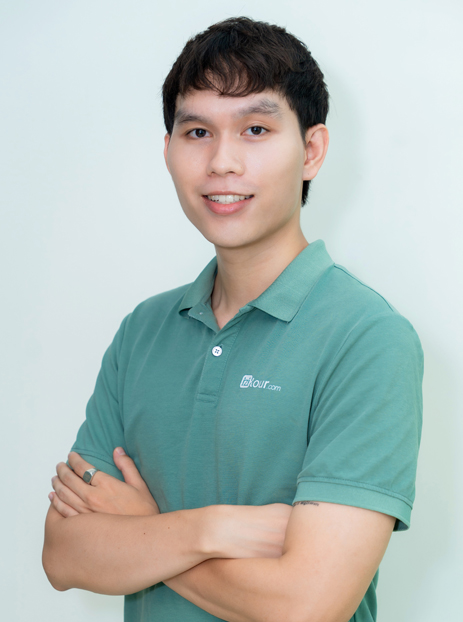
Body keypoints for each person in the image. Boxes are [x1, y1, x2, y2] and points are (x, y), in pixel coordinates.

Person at [42, 16, 424, 622]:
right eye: (197, 131)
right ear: (168, 151)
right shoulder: (143, 330)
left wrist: (144, 530)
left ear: (312, 151)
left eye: (255, 129)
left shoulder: (368, 338)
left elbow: (308, 606)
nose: (222, 161)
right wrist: (211, 530)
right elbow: (64, 555)